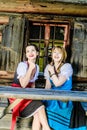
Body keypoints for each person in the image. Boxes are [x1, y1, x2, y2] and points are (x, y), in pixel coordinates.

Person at [8, 44, 51, 130]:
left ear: (37, 53)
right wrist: (30, 68)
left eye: (33, 50)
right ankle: (47, 128)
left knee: (38, 115)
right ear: (26, 55)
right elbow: (23, 84)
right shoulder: (22, 65)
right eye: (28, 51)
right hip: (17, 99)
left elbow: (32, 85)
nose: (30, 53)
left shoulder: (37, 67)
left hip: (27, 97)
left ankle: (46, 128)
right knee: (40, 105)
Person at [44, 46, 86, 130]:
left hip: (64, 96)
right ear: (51, 54)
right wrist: (43, 98)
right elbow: (47, 86)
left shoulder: (66, 67)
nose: (56, 55)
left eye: (59, 53)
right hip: (52, 96)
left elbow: (58, 83)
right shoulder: (48, 67)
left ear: (63, 55)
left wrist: (52, 71)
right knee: (40, 109)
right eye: (54, 52)